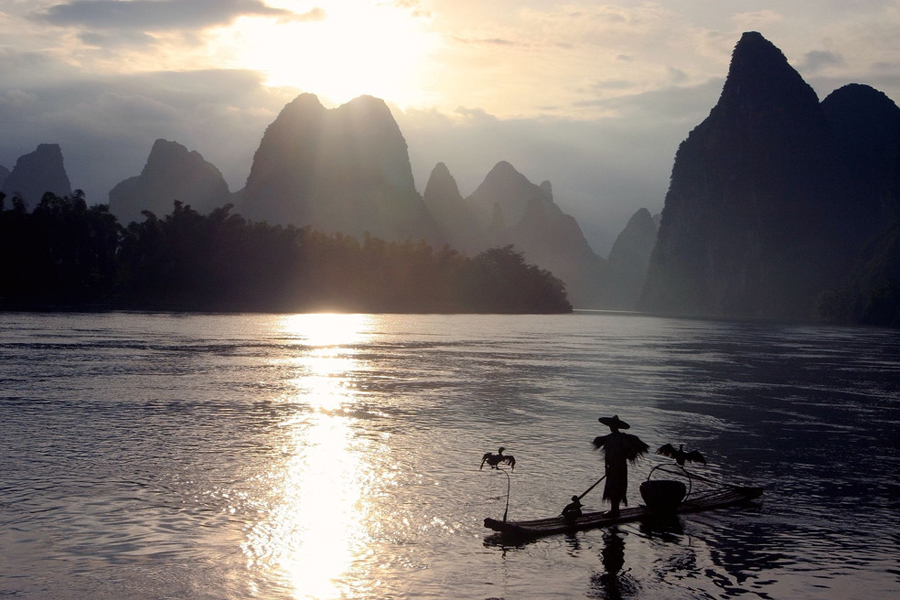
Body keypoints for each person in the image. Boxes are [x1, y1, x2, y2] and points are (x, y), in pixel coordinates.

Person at [593, 415, 648, 516]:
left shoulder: (622, 438)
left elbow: (630, 451)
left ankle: (615, 511)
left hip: (620, 467)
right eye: (610, 425)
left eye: (614, 425)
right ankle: (614, 509)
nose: (612, 427)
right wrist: (606, 467)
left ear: (617, 426)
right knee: (611, 487)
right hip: (611, 467)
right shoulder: (609, 438)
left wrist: (621, 460)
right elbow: (607, 454)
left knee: (617, 487)